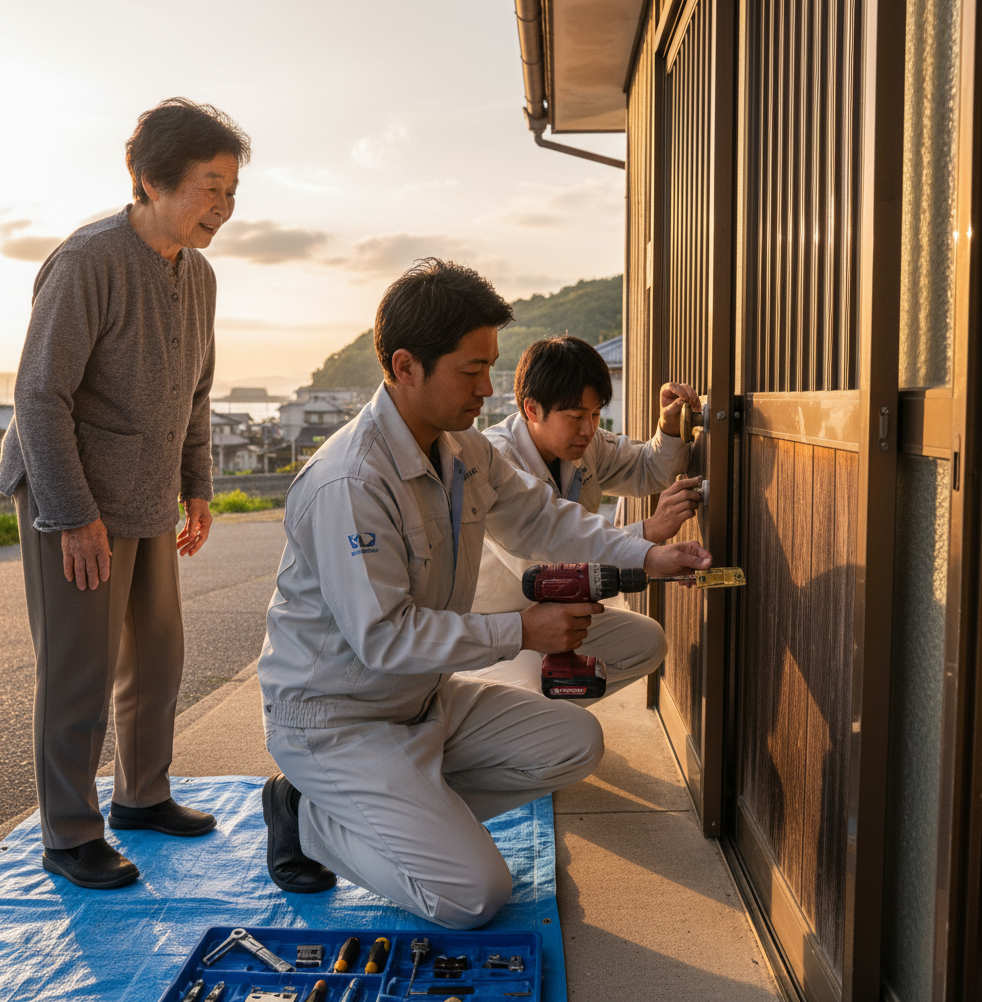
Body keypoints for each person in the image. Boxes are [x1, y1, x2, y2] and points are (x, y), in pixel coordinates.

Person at [257, 258, 712, 929]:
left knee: (575, 743)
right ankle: (309, 818)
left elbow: (545, 519)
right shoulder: (350, 483)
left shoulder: (464, 447)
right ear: (406, 366)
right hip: (339, 719)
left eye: (490, 366)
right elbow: (383, 638)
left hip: (423, 698)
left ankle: (411, 811)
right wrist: (522, 632)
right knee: (472, 897)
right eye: (472, 370)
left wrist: (650, 554)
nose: (486, 387)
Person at [0, 98, 250, 889]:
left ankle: (142, 798)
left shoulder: (200, 276)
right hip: (70, 497)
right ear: (149, 179)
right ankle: (70, 834)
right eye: (210, 187)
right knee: (79, 670)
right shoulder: (87, 262)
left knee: (156, 658)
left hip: (147, 496)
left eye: (232, 189)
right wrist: (71, 516)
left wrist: (198, 487)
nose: (224, 206)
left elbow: (196, 393)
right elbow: (39, 396)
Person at [468, 334, 703, 697]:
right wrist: (648, 538)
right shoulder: (498, 458)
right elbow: (542, 554)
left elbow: (645, 467)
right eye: (577, 416)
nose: (588, 429)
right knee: (536, 707)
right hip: (502, 623)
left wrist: (669, 429)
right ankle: (510, 703)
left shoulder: (584, 444)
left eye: (595, 414)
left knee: (647, 642)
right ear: (532, 409)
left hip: (560, 611)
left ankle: (550, 715)